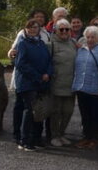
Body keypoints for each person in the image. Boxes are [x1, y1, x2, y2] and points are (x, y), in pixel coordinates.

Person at [14, 18, 53, 151]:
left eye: (35, 27)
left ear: (38, 29)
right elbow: (21, 64)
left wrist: (48, 73)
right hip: (27, 82)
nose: (32, 29)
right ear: (25, 29)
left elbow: (49, 61)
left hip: (41, 82)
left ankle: (37, 138)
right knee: (30, 111)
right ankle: (25, 140)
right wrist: (38, 76)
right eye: (29, 27)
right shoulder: (22, 44)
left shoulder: (41, 43)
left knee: (40, 111)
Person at [72, 25, 98, 149]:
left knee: (94, 115)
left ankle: (94, 138)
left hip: (95, 88)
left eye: (93, 37)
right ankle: (86, 137)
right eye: (88, 37)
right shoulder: (81, 50)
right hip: (81, 87)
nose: (90, 39)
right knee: (84, 115)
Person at [47, 19, 78, 147]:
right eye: (61, 29)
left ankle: (61, 133)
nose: (64, 31)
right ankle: (54, 135)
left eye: (67, 29)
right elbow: (46, 63)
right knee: (56, 112)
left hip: (71, 84)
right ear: (56, 30)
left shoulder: (73, 43)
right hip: (56, 84)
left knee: (68, 111)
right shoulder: (51, 44)